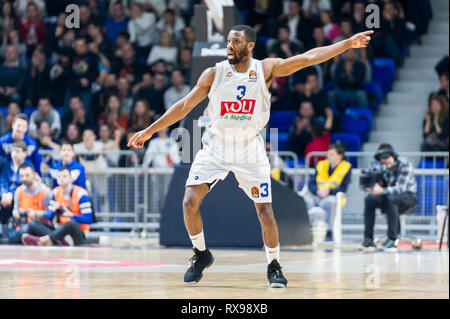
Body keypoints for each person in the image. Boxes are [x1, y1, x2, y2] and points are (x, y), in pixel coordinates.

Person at [128, 24, 373, 287]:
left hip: (249, 148)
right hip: (216, 146)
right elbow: (185, 105)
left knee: (265, 211)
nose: (230, 45)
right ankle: (201, 254)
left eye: (236, 41)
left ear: (250, 45)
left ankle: (274, 265)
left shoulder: (265, 69)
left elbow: (307, 58)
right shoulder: (214, 73)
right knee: (189, 201)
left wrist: (346, 44)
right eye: (228, 41)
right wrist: (150, 130)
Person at [360, 143, 418, 252]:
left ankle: (392, 239)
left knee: (391, 198)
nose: (386, 163)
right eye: (383, 160)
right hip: (387, 195)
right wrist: (370, 187)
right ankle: (368, 239)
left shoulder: (404, 164)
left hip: (408, 196)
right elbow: (368, 178)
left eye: (388, 159)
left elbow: (400, 188)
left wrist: (381, 190)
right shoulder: (377, 164)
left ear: (393, 156)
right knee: (370, 199)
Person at [21, 167, 93, 246]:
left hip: (78, 232)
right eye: (59, 177)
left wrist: (71, 215)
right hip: (60, 231)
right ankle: (58, 240)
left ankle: (44, 240)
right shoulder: (55, 192)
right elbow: (49, 218)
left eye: (64, 176)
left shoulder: (81, 194)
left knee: (71, 223)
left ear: (71, 178)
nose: (61, 179)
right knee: (33, 223)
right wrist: (53, 211)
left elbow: (89, 219)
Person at [303, 142, 351, 241]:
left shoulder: (346, 166)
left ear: (340, 156)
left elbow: (343, 188)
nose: (329, 156)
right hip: (317, 195)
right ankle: (306, 229)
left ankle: (329, 231)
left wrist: (329, 191)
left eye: (332, 154)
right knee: (304, 199)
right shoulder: (321, 164)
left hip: (332, 196)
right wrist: (317, 191)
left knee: (331, 202)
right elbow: (311, 183)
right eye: (328, 154)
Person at [10, 164, 51, 244]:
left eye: (27, 175)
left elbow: (50, 215)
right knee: (12, 236)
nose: (24, 178)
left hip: (41, 226)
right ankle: (34, 239)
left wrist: (36, 213)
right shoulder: (19, 191)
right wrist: (16, 212)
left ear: (35, 175)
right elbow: (15, 208)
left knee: (31, 225)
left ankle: (35, 239)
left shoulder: (45, 191)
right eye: (21, 176)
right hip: (23, 225)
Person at [0, 142, 33, 240]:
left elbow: (25, 183)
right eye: (13, 151)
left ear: (25, 153)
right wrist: (4, 194)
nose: (14, 154)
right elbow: (3, 182)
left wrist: (12, 194)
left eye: (17, 151)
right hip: (6, 196)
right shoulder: (7, 166)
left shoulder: (28, 166)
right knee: (4, 202)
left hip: (21, 195)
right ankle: (3, 229)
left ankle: (13, 232)